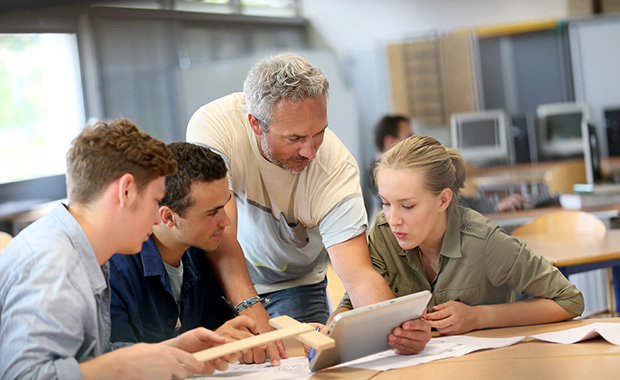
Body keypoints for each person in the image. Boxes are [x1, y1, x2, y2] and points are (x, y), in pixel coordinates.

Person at [187, 53, 430, 354]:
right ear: (255, 124)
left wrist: (393, 332)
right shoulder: (215, 126)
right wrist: (252, 310)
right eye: (295, 138)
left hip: (295, 281)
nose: (311, 151)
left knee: (309, 364)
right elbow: (219, 232)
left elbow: (359, 275)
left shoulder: (336, 170)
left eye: (320, 133)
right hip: (223, 275)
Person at [0, 119, 242, 379]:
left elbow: (84, 361)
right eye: (154, 201)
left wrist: (173, 351)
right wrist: (121, 366)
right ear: (125, 191)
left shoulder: (82, 251)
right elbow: (23, 375)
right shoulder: (53, 264)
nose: (157, 219)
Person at [338, 135, 584, 335]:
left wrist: (479, 317)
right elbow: (352, 303)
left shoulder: (484, 242)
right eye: (386, 203)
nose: (393, 220)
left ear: (443, 200)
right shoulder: (383, 234)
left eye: (408, 206)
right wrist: (331, 329)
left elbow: (569, 300)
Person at [109, 141, 280, 365]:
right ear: (168, 217)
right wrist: (203, 348)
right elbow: (113, 366)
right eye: (212, 213)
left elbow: (226, 336)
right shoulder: (113, 271)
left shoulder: (205, 252)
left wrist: (241, 342)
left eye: (224, 206)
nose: (226, 222)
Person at [371, 114, 528, 213]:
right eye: (409, 136)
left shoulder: (403, 174)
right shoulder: (391, 181)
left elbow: (454, 202)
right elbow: (453, 205)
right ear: (390, 142)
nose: (413, 141)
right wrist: (494, 206)